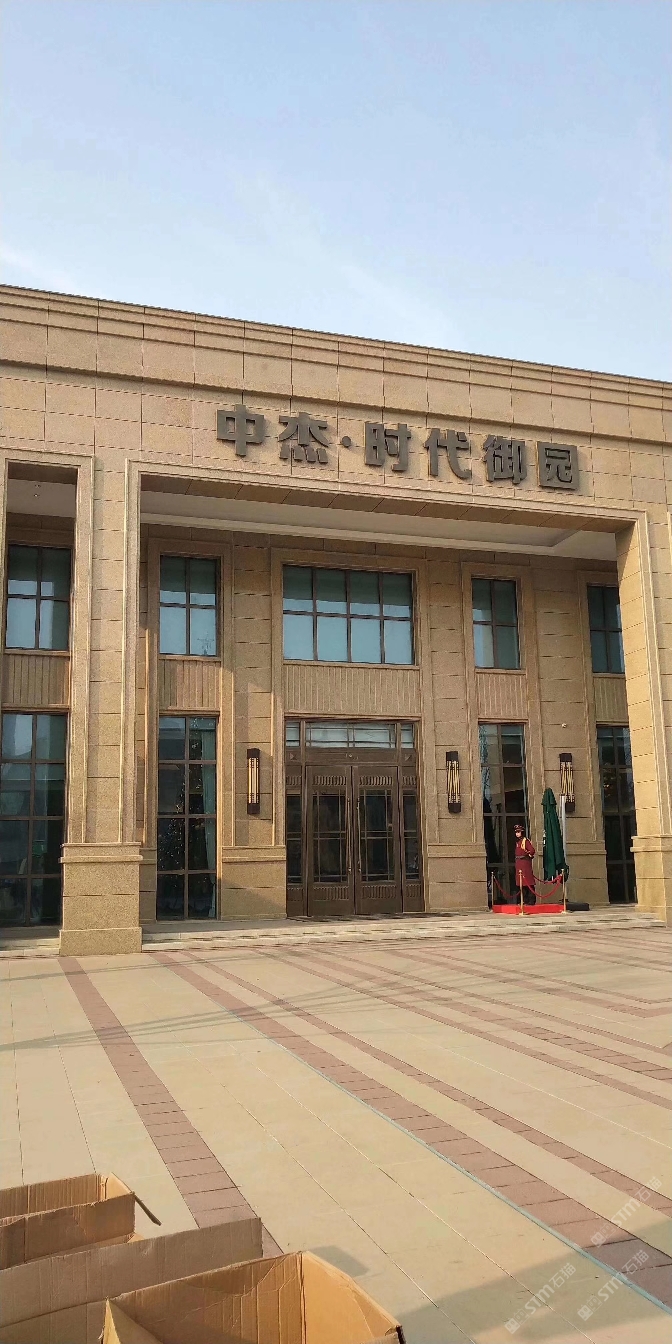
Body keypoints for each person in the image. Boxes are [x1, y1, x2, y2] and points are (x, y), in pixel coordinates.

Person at [514, 824, 537, 906]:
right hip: (519, 864)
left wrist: (527, 854)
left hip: (525, 864)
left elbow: (532, 850)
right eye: (516, 832)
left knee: (528, 882)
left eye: (518, 832)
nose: (517, 833)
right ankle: (522, 900)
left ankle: (531, 900)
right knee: (520, 883)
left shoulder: (525, 841)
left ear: (522, 832)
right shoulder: (518, 842)